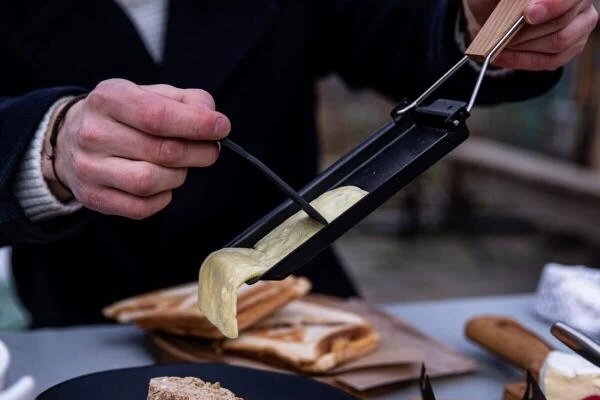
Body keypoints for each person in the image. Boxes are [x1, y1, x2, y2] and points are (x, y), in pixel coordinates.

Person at [0, 0, 597, 327]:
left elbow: (403, 27)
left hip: (297, 306)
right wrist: (48, 146)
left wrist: (479, 26)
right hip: (81, 324)